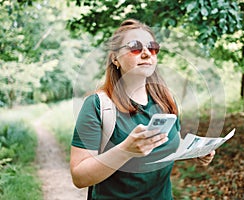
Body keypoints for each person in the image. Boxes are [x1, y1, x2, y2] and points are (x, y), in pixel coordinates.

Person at [70, 19, 215, 200]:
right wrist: (125, 150)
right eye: (135, 47)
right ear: (115, 58)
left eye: (152, 48)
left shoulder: (166, 101)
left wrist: (196, 151)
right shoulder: (97, 105)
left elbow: (173, 144)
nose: (146, 53)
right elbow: (79, 177)